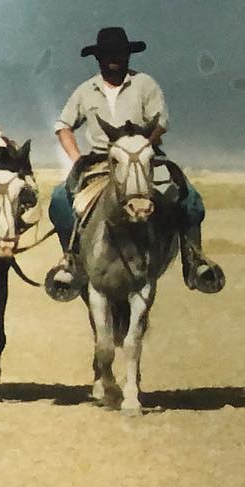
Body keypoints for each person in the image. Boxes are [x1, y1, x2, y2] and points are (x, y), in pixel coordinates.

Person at [44, 27, 223, 299]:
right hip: (101, 163)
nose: (113, 59)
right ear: (98, 58)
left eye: (119, 54)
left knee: (190, 197)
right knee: (59, 199)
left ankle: (194, 260)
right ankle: (71, 261)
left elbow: (160, 122)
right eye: (107, 55)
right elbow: (63, 126)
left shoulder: (145, 85)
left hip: (142, 160)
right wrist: (77, 158)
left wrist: (140, 147)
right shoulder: (86, 91)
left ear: (128, 55)